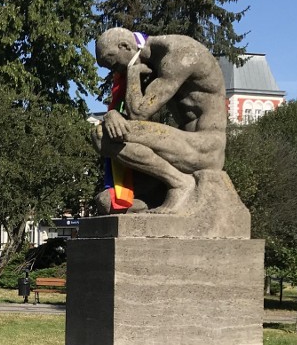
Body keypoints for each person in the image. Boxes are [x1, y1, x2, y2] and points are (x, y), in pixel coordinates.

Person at [91, 28, 228, 214]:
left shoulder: (179, 55)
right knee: (106, 202)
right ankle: (164, 188)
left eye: (115, 65)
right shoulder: (151, 64)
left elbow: (139, 114)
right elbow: (136, 119)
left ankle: (180, 184)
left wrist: (132, 73)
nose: (116, 72)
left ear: (125, 46)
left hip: (205, 147)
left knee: (101, 135)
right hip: (179, 149)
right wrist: (111, 115)